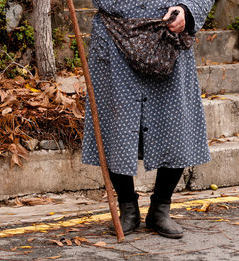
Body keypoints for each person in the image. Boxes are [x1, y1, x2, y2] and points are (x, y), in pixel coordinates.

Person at [82, 0, 215, 239]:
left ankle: (160, 208)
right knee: (115, 125)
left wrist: (187, 10)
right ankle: (127, 208)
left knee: (176, 123)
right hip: (114, 36)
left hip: (169, 34)